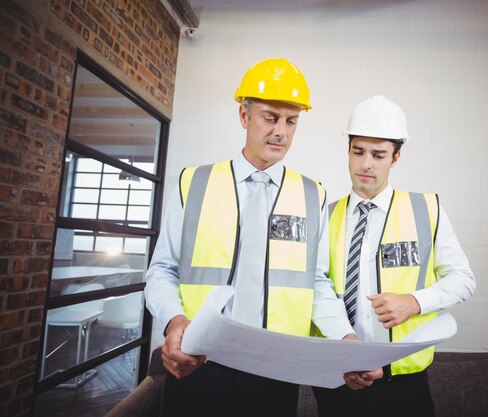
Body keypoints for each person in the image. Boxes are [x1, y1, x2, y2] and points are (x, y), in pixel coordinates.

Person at [144, 57, 356, 417]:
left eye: (291, 121)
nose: (281, 132)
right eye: (270, 117)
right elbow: (163, 269)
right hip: (199, 363)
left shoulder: (312, 194)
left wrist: (347, 341)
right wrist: (174, 320)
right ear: (244, 116)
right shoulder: (193, 183)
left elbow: (316, 282)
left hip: (274, 374)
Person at [313, 95, 476, 416]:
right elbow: (316, 283)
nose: (366, 164)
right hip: (338, 374)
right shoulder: (324, 215)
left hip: (403, 382)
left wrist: (414, 302)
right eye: (358, 151)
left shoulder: (427, 210)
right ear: (348, 151)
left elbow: (463, 280)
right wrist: (346, 342)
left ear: (396, 157)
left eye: (378, 154)